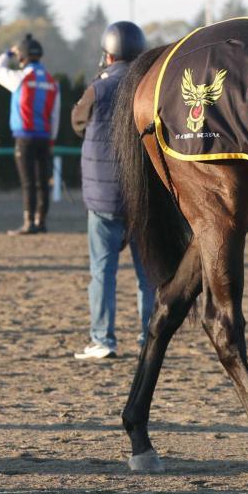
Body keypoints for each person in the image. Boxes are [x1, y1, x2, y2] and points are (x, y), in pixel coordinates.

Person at [71, 21, 155, 360]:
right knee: (147, 276)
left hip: (103, 199)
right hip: (141, 198)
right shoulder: (147, 86)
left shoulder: (98, 88)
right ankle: (149, 339)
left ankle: (102, 340)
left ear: (108, 54)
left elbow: (77, 122)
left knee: (102, 273)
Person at [0, 33, 60, 235]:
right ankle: (41, 221)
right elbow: (54, 115)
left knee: (28, 182)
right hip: (44, 137)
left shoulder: (19, 78)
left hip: (24, 137)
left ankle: (29, 223)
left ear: (22, 57)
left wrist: (8, 53)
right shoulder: (52, 82)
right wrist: (52, 140)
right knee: (43, 182)